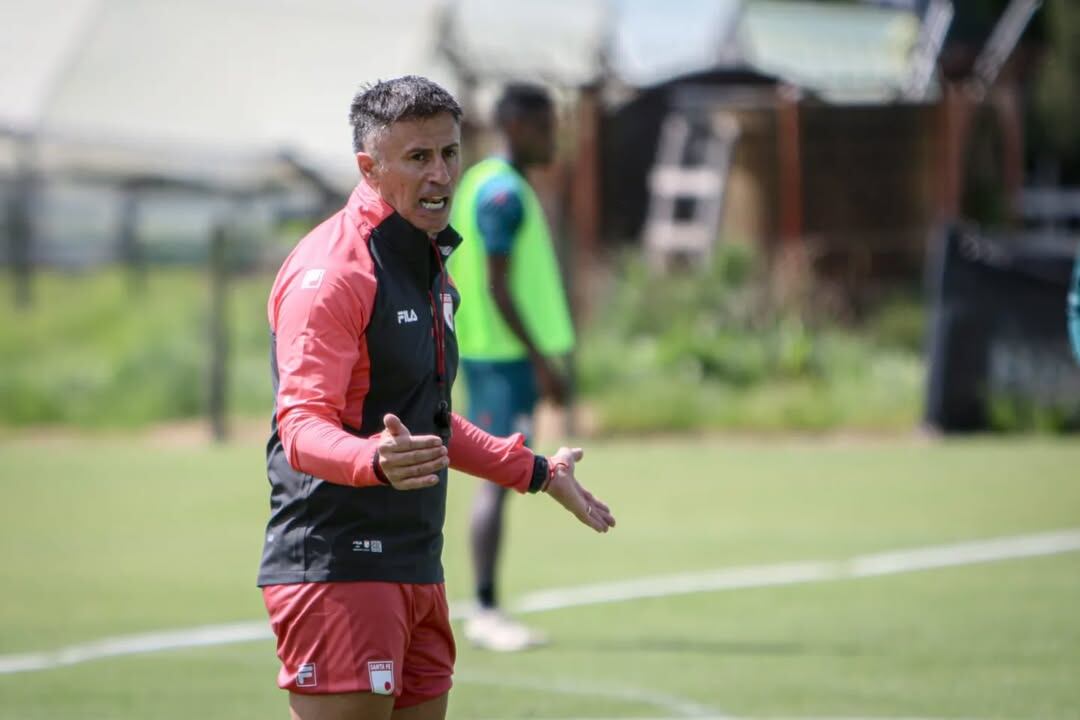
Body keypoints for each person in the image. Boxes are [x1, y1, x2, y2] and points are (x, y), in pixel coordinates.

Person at [257, 75, 615, 720]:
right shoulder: (333, 274)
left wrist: (536, 471)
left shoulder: (425, 265)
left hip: (417, 560)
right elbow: (301, 426)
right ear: (369, 168)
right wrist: (373, 459)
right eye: (418, 157)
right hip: (339, 565)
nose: (441, 174)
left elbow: (433, 423)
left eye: (449, 153)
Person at [447, 83, 575, 652]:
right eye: (547, 127)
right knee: (500, 477)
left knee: (501, 475)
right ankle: (485, 609)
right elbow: (497, 287)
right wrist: (541, 360)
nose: (555, 139)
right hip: (503, 359)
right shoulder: (503, 194)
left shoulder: (482, 180)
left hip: (489, 353)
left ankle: (485, 605)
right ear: (518, 126)